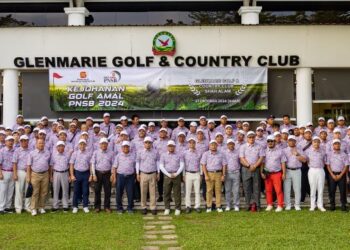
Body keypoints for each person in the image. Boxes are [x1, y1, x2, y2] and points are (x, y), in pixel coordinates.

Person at [239, 131, 265, 211]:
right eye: (249, 137)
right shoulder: (243, 147)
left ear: (255, 137)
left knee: (256, 187)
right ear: (247, 138)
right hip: (246, 169)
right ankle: (247, 205)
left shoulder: (259, 146)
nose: (251, 139)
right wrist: (248, 165)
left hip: (256, 169)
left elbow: (261, 158)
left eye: (253, 137)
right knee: (246, 188)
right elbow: (241, 158)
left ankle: (258, 205)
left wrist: (254, 166)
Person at [261, 135, 286, 212]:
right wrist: (262, 172)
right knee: (268, 190)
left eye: (272, 141)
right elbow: (262, 163)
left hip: (277, 173)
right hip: (267, 173)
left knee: (278, 190)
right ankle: (269, 204)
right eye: (268, 141)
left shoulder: (280, 151)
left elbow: (283, 162)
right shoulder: (264, 151)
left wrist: (284, 173)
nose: (270, 143)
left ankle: (280, 205)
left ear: (275, 142)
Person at [201, 140, 227, 213]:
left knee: (218, 190)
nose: (213, 146)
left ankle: (218, 206)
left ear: (217, 146)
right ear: (209, 146)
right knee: (209, 190)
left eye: (215, 145)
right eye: (212, 145)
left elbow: (224, 165)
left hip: (218, 173)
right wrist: (205, 175)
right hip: (209, 173)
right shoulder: (205, 154)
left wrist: (223, 175)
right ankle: (209, 206)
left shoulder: (221, 154)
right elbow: (203, 165)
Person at [26, 138, 51, 216]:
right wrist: (28, 177)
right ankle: (33, 208)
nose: (41, 144)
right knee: (35, 192)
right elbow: (29, 166)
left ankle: (41, 207)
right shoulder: (32, 153)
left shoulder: (47, 153)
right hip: (35, 174)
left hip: (45, 174)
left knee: (44, 192)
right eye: (39, 143)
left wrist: (50, 175)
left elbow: (50, 165)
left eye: (42, 143)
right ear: (36, 144)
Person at [136, 136, 160, 215]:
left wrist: (158, 172)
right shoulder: (140, 152)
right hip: (143, 173)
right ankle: (144, 207)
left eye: (149, 143)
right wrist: (137, 173)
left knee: (153, 192)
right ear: (144, 143)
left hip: (153, 173)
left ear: (152, 143)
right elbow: (138, 163)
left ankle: (153, 207)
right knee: (143, 191)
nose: (148, 144)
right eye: (146, 143)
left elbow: (157, 162)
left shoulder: (155, 152)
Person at [159, 140, 184, 216]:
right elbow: (161, 166)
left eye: (172, 146)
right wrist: (168, 174)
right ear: (167, 147)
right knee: (166, 192)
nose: (171, 147)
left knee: (177, 193)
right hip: (167, 175)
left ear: (174, 147)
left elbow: (182, 165)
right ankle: (167, 208)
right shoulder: (163, 155)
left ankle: (178, 208)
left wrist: (176, 173)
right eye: (169, 146)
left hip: (176, 175)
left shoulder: (179, 154)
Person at [91, 137, 114, 213]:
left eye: (105, 143)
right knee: (97, 190)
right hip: (98, 173)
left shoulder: (111, 153)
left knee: (108, 191)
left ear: (107, 144)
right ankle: (97, 207)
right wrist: (93, 174)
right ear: (100, 145)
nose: (104, 145)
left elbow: (113, 164)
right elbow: (93, 163)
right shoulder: (96, 152)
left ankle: (107, 207)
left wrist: (112, 174)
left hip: (107, 173)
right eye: (102, 144)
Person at [111, 141, 136, 214]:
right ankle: (119, 208)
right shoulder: (118, 156)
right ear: (122, 148)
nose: (125, 148)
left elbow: (135, 168)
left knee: (130, 192)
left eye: (127, 146)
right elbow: (114, 167)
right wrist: (114, 177)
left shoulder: (133, 156)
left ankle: (130, 208)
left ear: (129, 147)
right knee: (119, 193)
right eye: (124, 146)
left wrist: (134, 177)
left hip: (130, 177)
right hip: (120, 176)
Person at [283, 135, 306, 211]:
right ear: (287, 141)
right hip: (287, 170)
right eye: (290, 140)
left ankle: (297, 205)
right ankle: (288, 205)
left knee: (297, 189)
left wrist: (297, 154)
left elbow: (304, 160)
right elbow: (282, 162)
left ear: (295, 141)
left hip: (297, 170)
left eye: (293, 140)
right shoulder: (284, 150)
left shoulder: (299, 149)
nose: (291, 142)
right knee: (287, 189)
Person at [69, 139, 92, 213]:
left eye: (83, 144)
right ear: (78, 145)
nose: (82, 146)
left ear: (85, 145)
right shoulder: (75, 153)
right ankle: (75, 206)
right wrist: (72, 175)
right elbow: (71, 164)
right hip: (77, 173)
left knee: (85, 191)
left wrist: (91, 175)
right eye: (81, 144)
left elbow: (91, 165)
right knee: (76, 191)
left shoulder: (88, 154)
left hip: (86, 174)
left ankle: (85, 206)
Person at [326, 139, 349, 211]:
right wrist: (332, 175)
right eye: (335, 144)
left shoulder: (344, 154)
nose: (337, 145)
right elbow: (328, 165)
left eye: (338, 144)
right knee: (332, 190)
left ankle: (343, 205)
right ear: (333, 145)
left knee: (342, 190)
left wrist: (341, 175)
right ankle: (332, 205)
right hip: (332, 174)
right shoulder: (329, 154)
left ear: (340, 145)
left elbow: (346, 166)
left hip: (341, 174)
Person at [306, 136, 326, 212]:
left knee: (320, 189)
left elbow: (325, 160)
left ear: (319, 143)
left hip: (320, 170)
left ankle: (320, 205)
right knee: (313, 188)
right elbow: (307, 160)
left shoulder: (323, 151)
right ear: (312, 142)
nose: (316, 143)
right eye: (314, 142)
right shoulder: (308, 151)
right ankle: (312, 205)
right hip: (312, 170)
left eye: (318, 142)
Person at [50, 141, 71, 212]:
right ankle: (55, 206)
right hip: (56, 173)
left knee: (65, 190)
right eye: (59, 146)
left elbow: (70, 165)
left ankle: (65, 205)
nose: (61, 147)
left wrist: (70, 175)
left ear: (64, 147)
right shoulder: (53, 155)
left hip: (65, 173)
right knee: (55, 189)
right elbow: (51, 166)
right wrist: (51, 176)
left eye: (62, 146)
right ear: (56, 147)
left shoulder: (67, 155)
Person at [12, 135, 31, 213]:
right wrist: (15, 174)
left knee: (28, 190)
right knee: (19, 190)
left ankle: (27, 206)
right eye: (22, 141)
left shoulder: (31, 150)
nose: (24, 142)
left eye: (25, 140)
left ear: (28, 141)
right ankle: (18, 207)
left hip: (29, 172)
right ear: (20, 142)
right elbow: (14, 163)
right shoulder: (17, 150)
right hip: (20, 172)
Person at [183, 138, 201, 213]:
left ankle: (197, 206)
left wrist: (201, 174)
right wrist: (183, 174)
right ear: (188, 144)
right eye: (190, 143)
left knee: (197, 191)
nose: (192, 144)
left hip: (197, 173)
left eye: (193, 143)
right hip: (188, 173)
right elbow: (183, 164)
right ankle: (188, 206)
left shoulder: (199, 153)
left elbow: (200, 164)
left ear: (195, 144)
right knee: (188, 191)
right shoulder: (185, 153)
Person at [223, 139, 241, 212]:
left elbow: (240, 161)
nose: (231, 145)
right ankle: (228, 205)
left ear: (234, 144)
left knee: (236, 190)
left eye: (232, 144)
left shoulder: (237, 152)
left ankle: (236, 205)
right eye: (229, 144)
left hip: (236, 172)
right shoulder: (224, 153)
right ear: (227, 145)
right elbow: (223, 164)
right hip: (228, 173)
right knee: (228, 190)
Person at [0, 136, 15, 214]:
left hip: (12, 172)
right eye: (9, 141)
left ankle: (7, 207)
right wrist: (0, 173)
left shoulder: (15, 151)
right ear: (5, 142)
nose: (10, 142)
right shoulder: (2, 151)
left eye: (12, 141)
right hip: (4, 172)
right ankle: (1, 208)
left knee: (10, 190)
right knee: (3, 191)